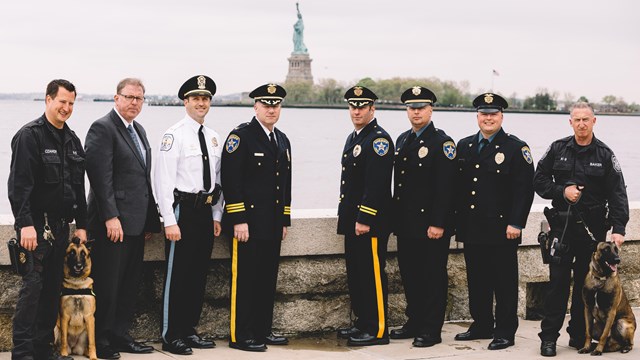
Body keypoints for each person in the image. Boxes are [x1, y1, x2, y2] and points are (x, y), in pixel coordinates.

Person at [534, 101, 629, 357]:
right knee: (557, 284)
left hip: (592, 232)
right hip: (562, 228)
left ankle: (578, 335)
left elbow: (618, 193)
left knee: (585, 288)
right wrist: (561, 191)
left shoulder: (605, 154)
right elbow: (539, 179)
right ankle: (549, 338)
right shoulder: (557, 148)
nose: (581, 124)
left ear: (594, 121)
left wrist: (618, 228)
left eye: (586, 119)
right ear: (570, 122)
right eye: (577, 119)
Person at [8, 79, 87, 360]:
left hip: (61, 227)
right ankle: (23, 352)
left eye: (71, 103)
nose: (66, 108)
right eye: (61, 102)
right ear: (48, 100)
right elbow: (20, 185)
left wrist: (83, 225)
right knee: (32, 293)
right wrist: (24, 223)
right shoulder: (30, 136)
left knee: (53, 290)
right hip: (36, 228)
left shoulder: (73, 141)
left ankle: (43, 349)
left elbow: (79, 189)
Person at [85, 78, 160, 359]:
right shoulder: (103, 128)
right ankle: (101, 341)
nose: (134, 103)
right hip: (112, 225)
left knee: (128, 284)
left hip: (136, 223)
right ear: (116, 98)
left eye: (139, 98)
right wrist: (111, 216)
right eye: (128, 97)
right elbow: (99, 177)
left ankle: (119, 335)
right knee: (107, 283)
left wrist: (149, 222)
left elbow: (143, 180)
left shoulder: (138, 130)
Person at [454, 93, 534, 350]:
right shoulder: (465, 146)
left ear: (501, 116)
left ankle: (505, 331)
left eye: (493, 114)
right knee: (477, 280)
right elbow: (459, 189)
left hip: (502, 230)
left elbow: (524, 190)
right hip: (473, 227)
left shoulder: (515, 148)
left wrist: (516, 223)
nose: (488, 118)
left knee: (504, 282)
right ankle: (481, 324)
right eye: (483, 114)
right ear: (477, 116)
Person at [154, 75, 223, 355]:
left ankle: (189, 329)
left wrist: (217, 215)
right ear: (186, 102)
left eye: (205, 99)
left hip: (205, 212)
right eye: (196, 98)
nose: (201, 103)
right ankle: (172, 335)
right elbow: (163, 181)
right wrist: (169, 220)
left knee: (197, 275)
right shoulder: (174, 135)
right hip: (182, 212)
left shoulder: (214, 137)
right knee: (177, 276)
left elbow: (219, 181)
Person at [222, 83, 291, 352]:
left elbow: (285, 183)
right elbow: (230, 180)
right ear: (256, 107)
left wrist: (284, 219)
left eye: (276, 105)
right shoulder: (241, 136)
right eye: (266, 104)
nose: (271, 109)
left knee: (266, 280)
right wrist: (238, 219)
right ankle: (241, 335)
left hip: (272, 225)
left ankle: (263, 330)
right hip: (246, 226)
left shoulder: (282, 139)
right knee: (246, 281)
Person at [389, 86, 456, 347]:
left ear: (431, 109)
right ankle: (414, 321)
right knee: (411, 275)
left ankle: (431, 329)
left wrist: (438, 222)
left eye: (421, 107)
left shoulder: (442, 143)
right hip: (407, 225)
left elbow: (446, 187)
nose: (416, 112)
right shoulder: (404, 139)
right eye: (411, 107)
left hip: (431, 226)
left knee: (432, 277)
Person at [335, 86, 393, 347]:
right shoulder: (354, 137)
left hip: (369, 222)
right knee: (357, 274)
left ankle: (378, 329)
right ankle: (362, 322)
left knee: (371, 275)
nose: (356, 111)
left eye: (362, 107)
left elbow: (377, 185)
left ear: (372, 109)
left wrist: (365, 218)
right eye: (353, 106)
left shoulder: (379, 140)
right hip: (352, 220)